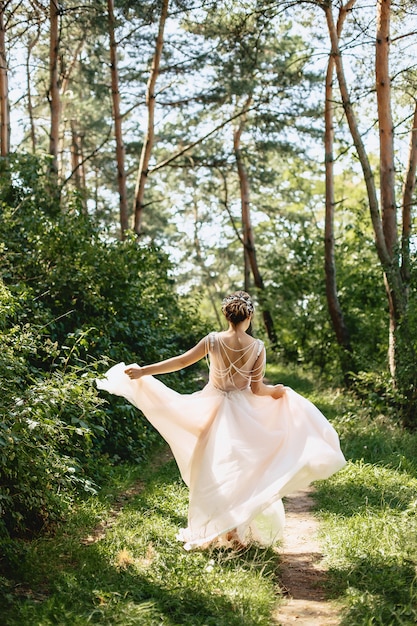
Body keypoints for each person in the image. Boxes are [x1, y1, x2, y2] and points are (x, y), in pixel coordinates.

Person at [96, 291, 346, 550]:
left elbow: (181, 362)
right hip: (243, 413)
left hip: (211, 408)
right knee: (240, 470)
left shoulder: (213, 341)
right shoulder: (257, 347)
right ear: (249, 316)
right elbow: (258, 389)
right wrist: (276, 392)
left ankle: (221, 528)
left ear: (227, 316)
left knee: (210, 470)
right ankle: (234, 532)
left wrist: (143, 371)